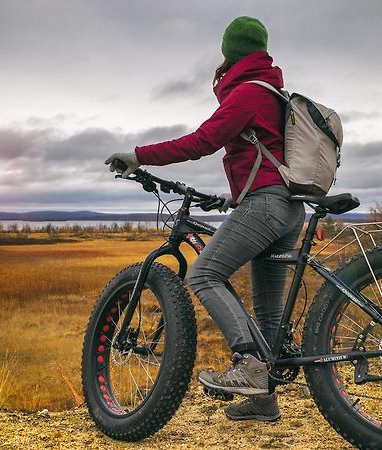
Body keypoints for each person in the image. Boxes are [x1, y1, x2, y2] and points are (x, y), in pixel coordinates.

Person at [105, 16, 305, 422]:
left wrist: (138, 155)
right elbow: (263, 156)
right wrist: (233, 198)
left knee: (204, 275)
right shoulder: (274, 93)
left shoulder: (249, 92)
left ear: (230, 51)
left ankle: (247, 364)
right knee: (267, 313)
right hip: (288, 208)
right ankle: (264, 399)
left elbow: (203, 141)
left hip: (266, 204)